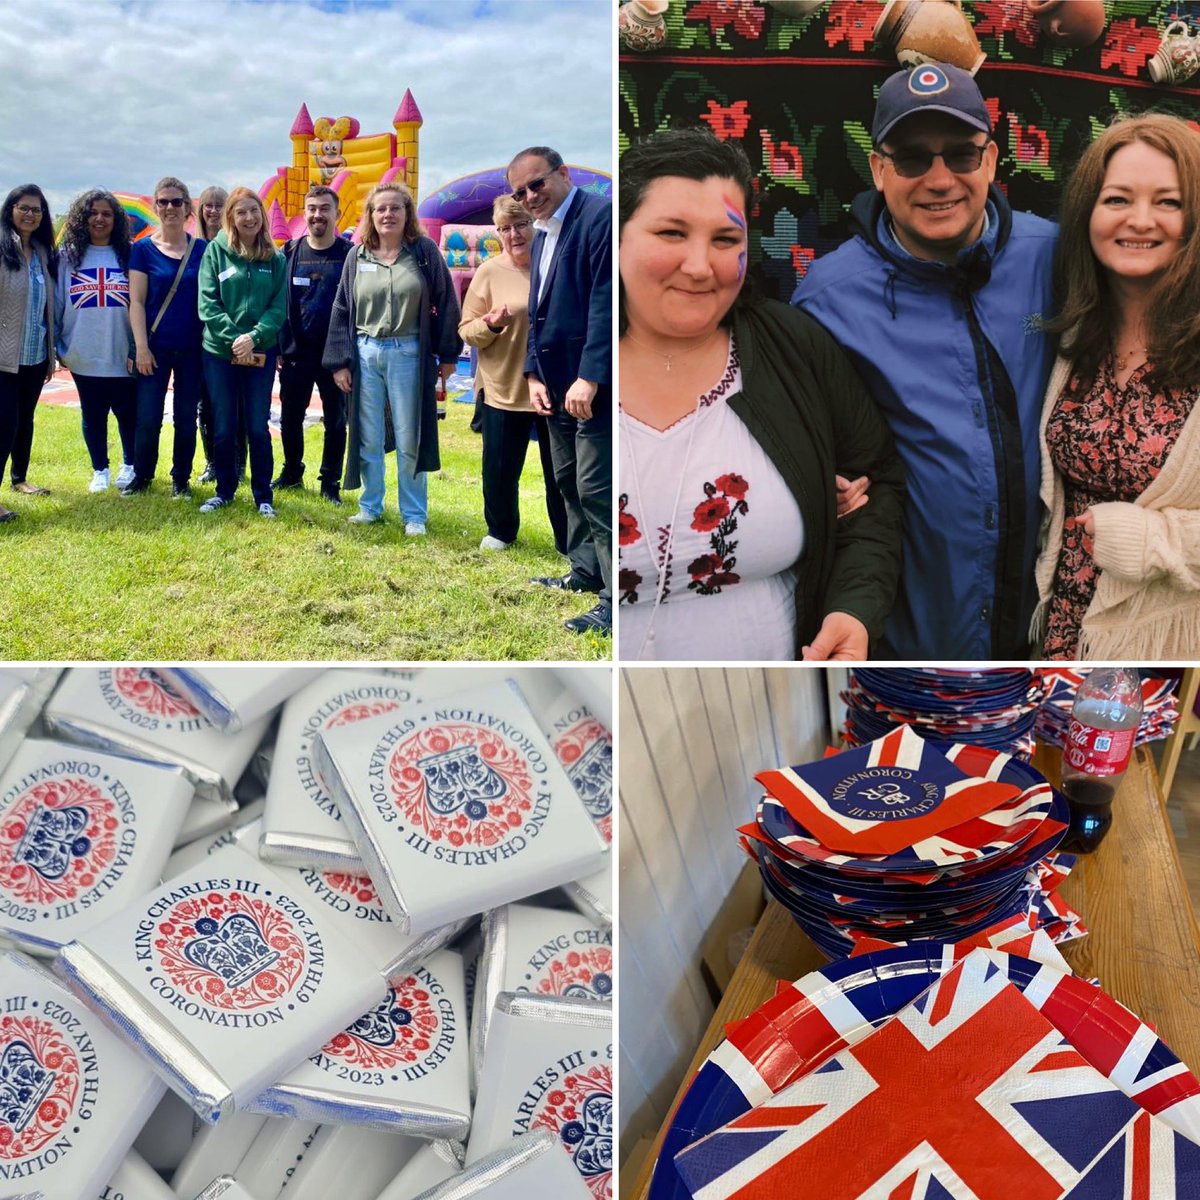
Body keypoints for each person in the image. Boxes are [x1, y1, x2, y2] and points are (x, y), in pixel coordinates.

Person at [794, 63, 1057, 659]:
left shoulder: (1056, 259)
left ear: (991, 161)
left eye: (961, 155)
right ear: (879, 169)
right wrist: (822, 484)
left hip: (1046, 622)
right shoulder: (829, 298)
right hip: (914, 621)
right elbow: (814, 444)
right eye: (913, 158)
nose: (939, 179)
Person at [619, 128, 905, 660]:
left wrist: (853, 609)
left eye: (725, 240)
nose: (701, 266)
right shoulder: (573, 368)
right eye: (672, 233)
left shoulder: (796, 350)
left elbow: (877, 489)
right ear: (619, 237)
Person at [1033, 114, 1200, 659]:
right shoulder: (1074, 335)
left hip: (1164, 641)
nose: (1141, 220)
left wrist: (1153, 541)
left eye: (1168, 202)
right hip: (1063, 626)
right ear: (1088, 212)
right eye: (1118, 199)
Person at [509, 146, 612, 635]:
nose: (529, 197)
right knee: (567, 481)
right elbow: (539, 310)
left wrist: (590, 377)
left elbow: (606, 304)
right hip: (553, 387)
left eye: (536, 184)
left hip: (589, 386)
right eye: (519, 191)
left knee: (597, 487)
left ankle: (618, 598)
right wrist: (532, 374)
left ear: (563, 174)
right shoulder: (545, 233)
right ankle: (586, 571)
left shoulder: (600, 218)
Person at [323, 181, 461, 532]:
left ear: (406, 214)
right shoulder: (357, 256)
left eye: (395, 208)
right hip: (365, 351)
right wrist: (339, 362)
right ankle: (371, 506)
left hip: (408, 353)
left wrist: (447, 355)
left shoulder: (424, 252)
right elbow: (341, 308)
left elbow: (447, 303)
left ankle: (414, 515)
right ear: (370, 215)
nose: (387, 214)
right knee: (367, 434)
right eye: (380, 208)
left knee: (408, 435)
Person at [459, 194, 567, 553]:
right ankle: (501, 530)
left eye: (520, 225)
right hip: (503, 386)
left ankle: (568, 539)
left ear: (535, 224)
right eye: (504, 228)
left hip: (554, 388)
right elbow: (466, 329)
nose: (513, 234)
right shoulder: (489, 271)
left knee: (561, 474)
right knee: (500, 469)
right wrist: (490, 325)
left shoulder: (556, 264)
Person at [197, 186, 287, 517]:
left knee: (256, 425)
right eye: (241, 212)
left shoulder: (275, 258)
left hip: (260, 354)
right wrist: (236, 338)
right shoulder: (215, 253)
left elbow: (278, 308)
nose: (248, 217)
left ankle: (263, 495)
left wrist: (254, 336)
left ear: (261, 216)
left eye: (254, 211)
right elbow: (207, 303)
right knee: (223, 424)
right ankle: (225, 490)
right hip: (220, 354)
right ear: (230, 218)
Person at [125, 176, 206, 499]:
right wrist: (141, 348)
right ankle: (142, 476)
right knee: (147, 418)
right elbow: (137, 302)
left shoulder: (203, 250)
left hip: (192, 349)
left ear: (187, 207)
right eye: (163, 201)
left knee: (186, 418)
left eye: (176, 201)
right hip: (154, 348)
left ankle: (181, 479)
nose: (170, 207)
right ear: (155, 206)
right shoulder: (143, 250)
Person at [55, 188, 137, 493]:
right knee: (93, 414)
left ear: (117, 219)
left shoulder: (131, 254)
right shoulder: (66, 257)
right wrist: (59, 344)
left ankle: (129, 465)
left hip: (121, 349)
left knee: (127, 413)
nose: (99, 219)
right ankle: (99, 469)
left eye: (107, 213)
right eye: (92, 213)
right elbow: (58, 301)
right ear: (82, 218)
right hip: (83, 349)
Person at [274, 184, 351, 504]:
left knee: (336, 421)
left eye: (324, 208)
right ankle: (292, 472)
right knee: (290, 418)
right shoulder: (289, 252)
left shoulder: (350, 255)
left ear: (336, 213)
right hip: (296, 353)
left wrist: (347, 356)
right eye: (312, 209)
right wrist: (279, 345)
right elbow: (278, 302)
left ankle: (330, 481)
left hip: (335, 356)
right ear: (305, 213)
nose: (317, 214)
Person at [0, 184, 56, 519]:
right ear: (10, 209)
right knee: (4, 423)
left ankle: (19, 478)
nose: (30, 214)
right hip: (3, 357)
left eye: (36, 209)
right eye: (24, 207)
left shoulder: (43, 252)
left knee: (25, 419)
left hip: (35, 354)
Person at [195, 185, 230, 485]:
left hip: (229, 339)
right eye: (208, 205)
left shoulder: (235, 247)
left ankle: (236, 463)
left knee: (236, 404)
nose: (214, 210)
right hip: (198, 340)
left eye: (220, 205)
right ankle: (212, 463)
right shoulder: (193, 248)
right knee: (205, 405)